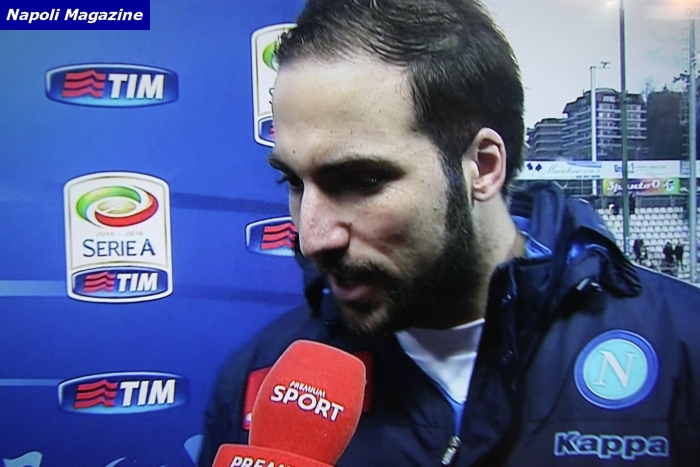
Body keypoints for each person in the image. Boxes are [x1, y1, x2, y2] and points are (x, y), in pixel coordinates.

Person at [199, 1, 700, 465]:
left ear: (482, 167)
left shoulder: (682, 348)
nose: (311, 239)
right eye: (293, 182)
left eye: (361, 181)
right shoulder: (258, 380)